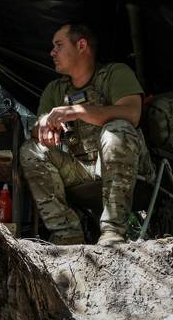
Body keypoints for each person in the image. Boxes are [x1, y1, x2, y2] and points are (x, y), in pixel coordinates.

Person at [20, 23, 155, 246]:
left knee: (117, 129)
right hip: (82, 170)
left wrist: (76, 112)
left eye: (59, 45)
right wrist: (44, 123)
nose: (52, 52)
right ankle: (68, 234)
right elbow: (37, 127)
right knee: (31, 149)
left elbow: (132, 113)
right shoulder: (55, 90)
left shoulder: (114, 73)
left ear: (81, 45)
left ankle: (113, 232)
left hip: (132, 169)